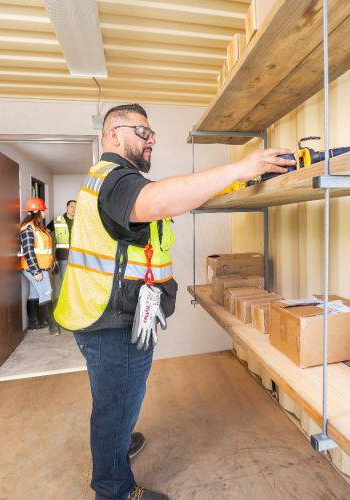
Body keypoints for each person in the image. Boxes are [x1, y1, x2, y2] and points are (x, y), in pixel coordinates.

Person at [55, 104, 294, 500]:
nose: (151, 139)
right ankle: (114, 489)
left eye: (152, 133)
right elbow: (157, 201)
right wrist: (240, 169)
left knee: (114, 400)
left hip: (105, 316)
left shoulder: (108, 180)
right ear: (113, 135)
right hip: (114, 322)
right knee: (116, 405)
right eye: (142, 131)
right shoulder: (116, 179)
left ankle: (114, 447)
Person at [19, 197, 59, 335]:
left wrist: (52, 263)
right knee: (46, 292)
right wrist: (36, 271)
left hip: (41, 267)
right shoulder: (28, 228)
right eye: (43, 210)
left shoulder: (38, 228)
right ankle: (52, 325)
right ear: (38, 212)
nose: (45, 213)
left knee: (35, 293)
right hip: (34, 268)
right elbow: (28, 251)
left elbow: (45, 249)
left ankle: (34, 323)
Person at [46, 199, 76, 279]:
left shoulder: (80, 221)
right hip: (63, 255)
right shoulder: (57, 220)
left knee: (76, 280)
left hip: (77, 255)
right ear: (67, 207)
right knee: (65, 279)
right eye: (71, 206)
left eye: (76, 207)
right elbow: (45, 233)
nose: (74, 209)